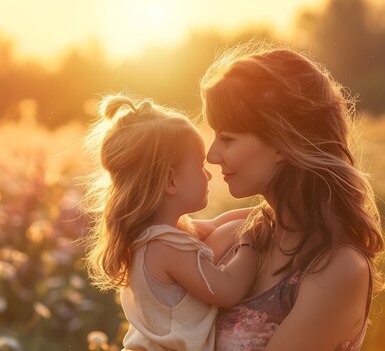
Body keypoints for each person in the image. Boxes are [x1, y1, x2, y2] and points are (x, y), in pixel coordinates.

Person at [199, 43, 385, 351]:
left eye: (227, 138)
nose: (211, 154)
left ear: (280, 143)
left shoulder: (338, 269)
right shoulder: (232, 238)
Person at [81, 94, 259, 351]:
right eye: (199, 166)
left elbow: (219, 223)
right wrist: (251, 241)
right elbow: (228, 290)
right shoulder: (165, 247)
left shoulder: (158, 236)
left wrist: (267, 215)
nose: (208, 174)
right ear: (171, 181)